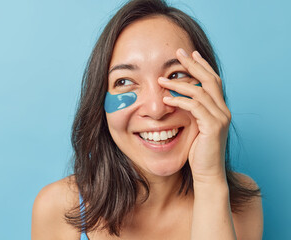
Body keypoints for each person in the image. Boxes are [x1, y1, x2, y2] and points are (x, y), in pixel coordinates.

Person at [31, 0, 263, 239]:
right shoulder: (58, 207)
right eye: (124, 81)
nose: (155, 109)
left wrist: (210, 182)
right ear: (99, 103)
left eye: (176, 75)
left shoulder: (241, 203)